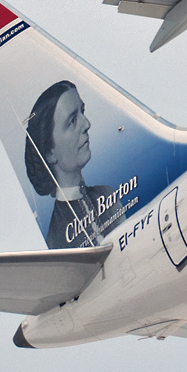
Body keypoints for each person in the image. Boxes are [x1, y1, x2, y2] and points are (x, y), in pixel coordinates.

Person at [24, 81, 122, 249]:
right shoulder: (57, 240)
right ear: (50, 153)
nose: (87, 124)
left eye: (82, 112)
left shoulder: (106, 194)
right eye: (72, 121)